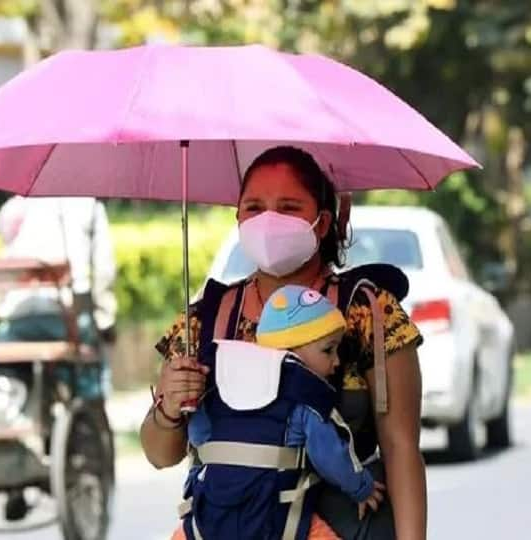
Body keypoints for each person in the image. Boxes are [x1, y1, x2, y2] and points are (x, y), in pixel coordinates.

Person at [142, 146, 427, 539]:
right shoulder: (204, 322)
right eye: (254, 207)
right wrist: (169, 409)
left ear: (322, 223)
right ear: (238, 218)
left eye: (289, 207)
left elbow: (401, 448)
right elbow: (160, 454)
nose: (269, 221)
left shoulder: (368, 312)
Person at [171, 285, 386, 540]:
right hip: (281, 524)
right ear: (290, 351)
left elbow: (198, 434)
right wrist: (361, 488)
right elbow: (330, 455)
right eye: (328, 349)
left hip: (208, 523)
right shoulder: (304, 396)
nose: (336, 361)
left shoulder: (222, 383)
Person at [0, 195, 117, 520]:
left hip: (17, 318)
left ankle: (17, 452)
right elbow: (103, 271)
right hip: (65, 316)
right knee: (88, 376)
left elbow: (4, 270)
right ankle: (90, 442)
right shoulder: (89, 205)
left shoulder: (15, 207)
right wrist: (106, 319)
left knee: (9, 379)